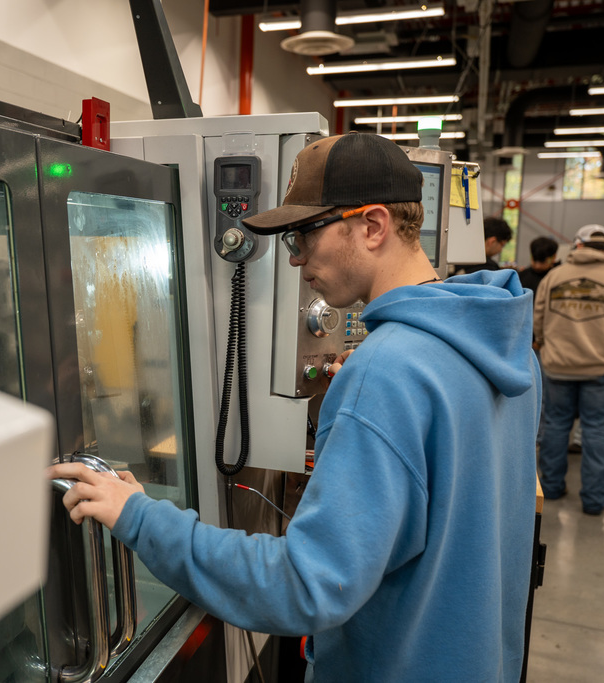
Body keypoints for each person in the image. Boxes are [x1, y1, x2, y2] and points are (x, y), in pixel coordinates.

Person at [48, 132, 540, 681]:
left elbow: (305, 585)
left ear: (373, 226)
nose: (296, 259)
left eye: (305, 234)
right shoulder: (499, 342)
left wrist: (137, 517)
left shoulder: (385, 371)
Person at [534, 225, 604, 515]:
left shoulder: (555, 276)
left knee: (556, 426)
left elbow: (538, 319)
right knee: (596, 430)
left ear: (577, 246)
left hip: (557, 366)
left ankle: (551, 489)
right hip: (603, 368)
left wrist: (545, 344)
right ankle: (594, 502)